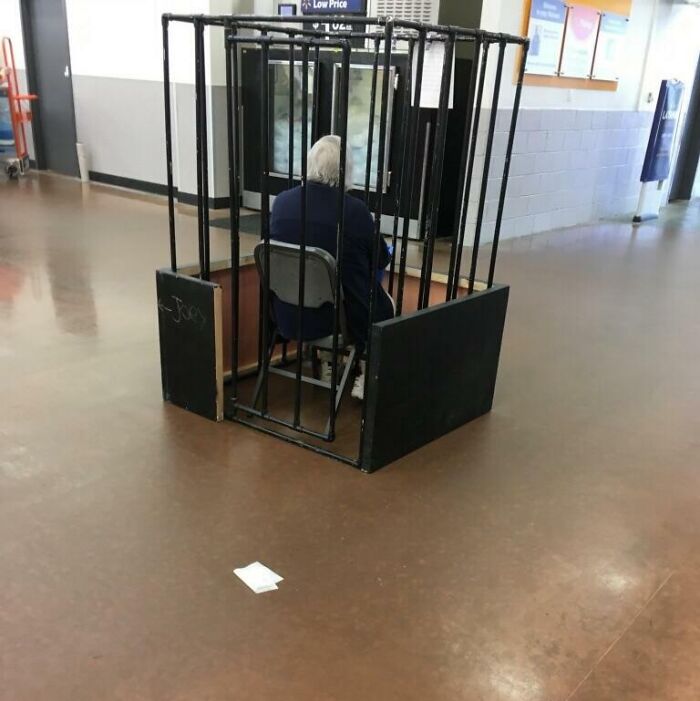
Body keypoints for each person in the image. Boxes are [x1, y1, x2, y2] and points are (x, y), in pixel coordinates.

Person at [269, 135, 395, 399]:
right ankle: (365, 371)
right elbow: (381, 258)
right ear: (346, 170)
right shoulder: (354, 211)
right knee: (377, 297)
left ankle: (328, 363)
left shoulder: (281, 203)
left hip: (286, 315)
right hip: (336, 321)